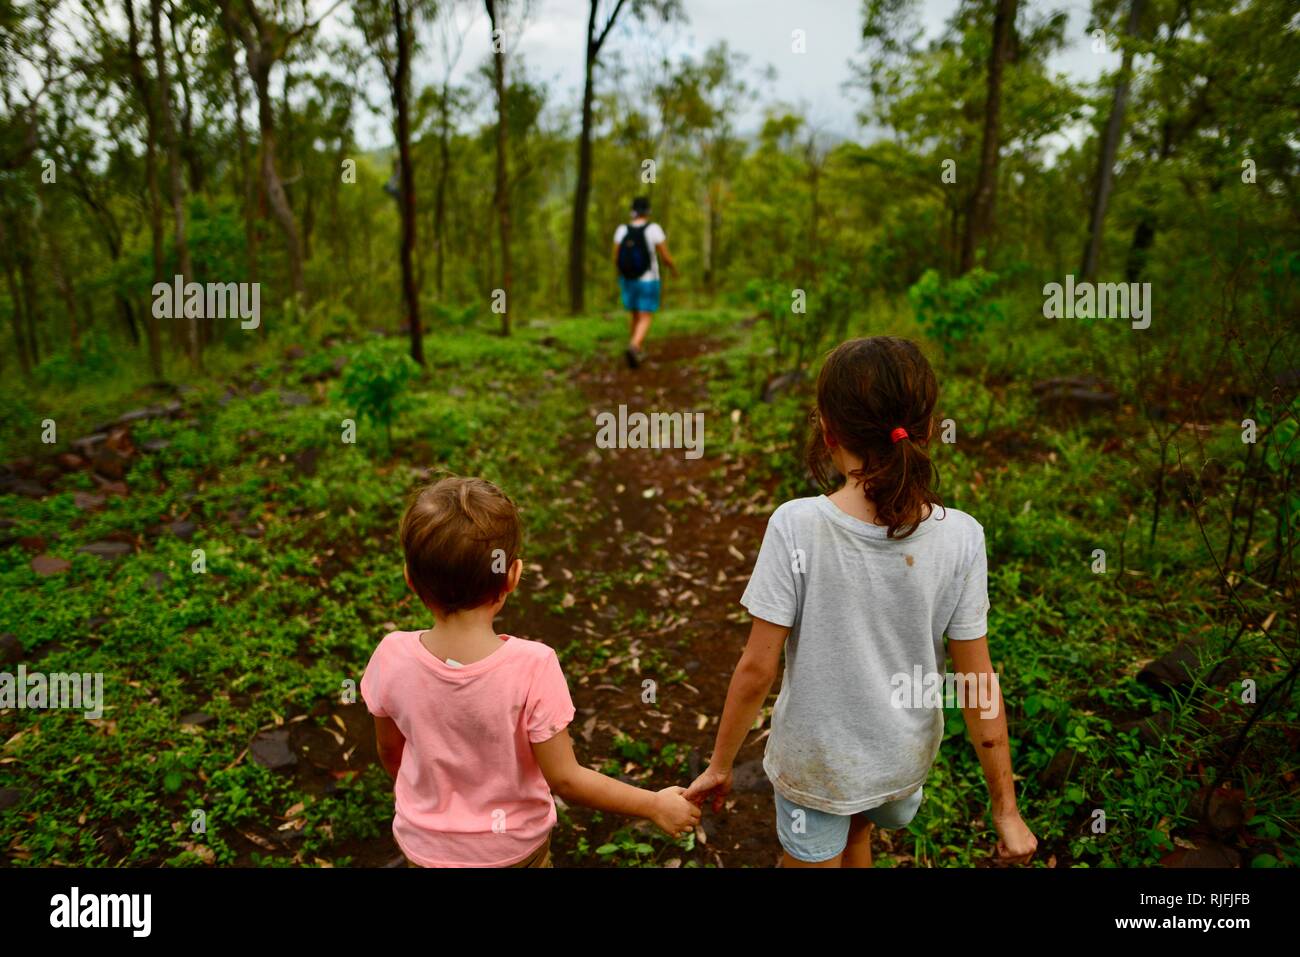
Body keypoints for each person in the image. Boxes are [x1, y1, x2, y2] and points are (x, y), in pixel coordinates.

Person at [684, 337, 1038, 868]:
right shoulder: (962, 537)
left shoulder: (796, 526)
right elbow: (978, 685)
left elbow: (758, 668)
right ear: (930, 429)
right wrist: (1005, 810)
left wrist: (719, 764)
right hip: (899, 770)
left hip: (818, 771)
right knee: (857, 831)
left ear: (827, 431)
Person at [362, 476, 700, 867]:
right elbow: (566, 779)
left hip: (426, 849)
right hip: (513, 852)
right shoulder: (533, 666)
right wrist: (653, 804)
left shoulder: (392, 655)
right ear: (512, 576)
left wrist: (431, 808)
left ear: (410, 579)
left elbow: (391, 752)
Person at [613, 196, 678, 369]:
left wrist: (622, 274)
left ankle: (635, 347)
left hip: (627, 279)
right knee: (646, 315)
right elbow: (665, 256)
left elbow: (616, 257)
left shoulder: (622, 230)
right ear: (648, 211)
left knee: (634, 314)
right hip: (648, 278)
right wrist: (673, 269)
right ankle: (634, 346)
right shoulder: (653, 229)